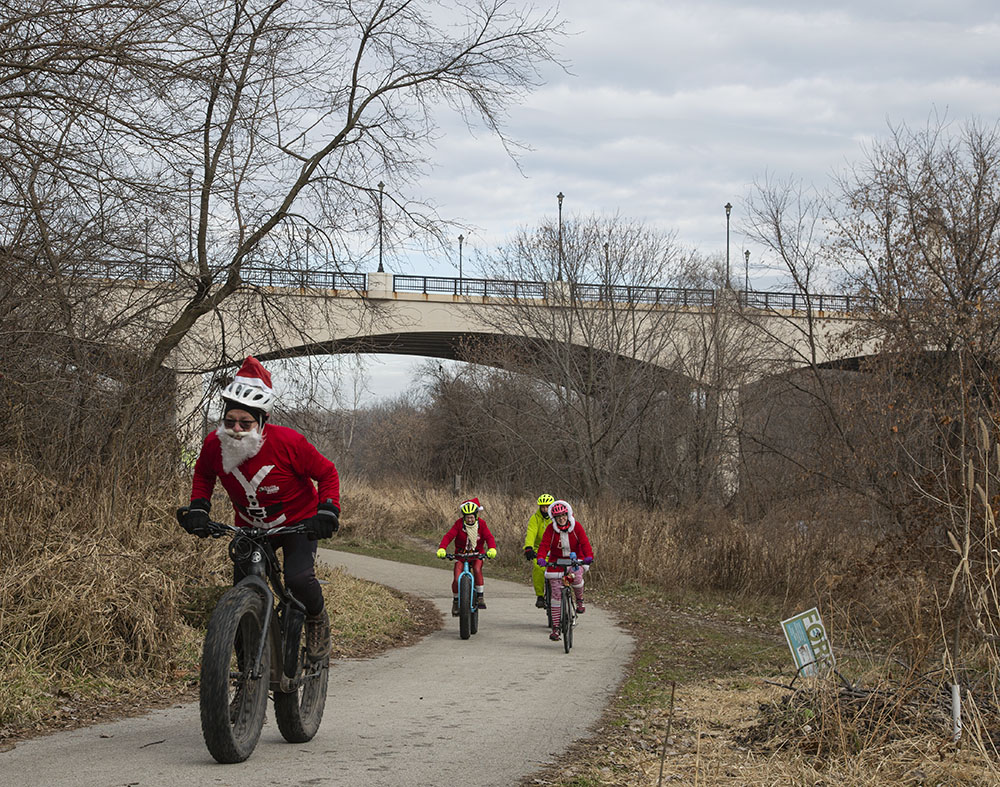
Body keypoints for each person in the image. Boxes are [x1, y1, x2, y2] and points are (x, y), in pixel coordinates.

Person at [178, 356, 341, 661]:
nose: (236, 429)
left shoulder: (289, 443)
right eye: (230, 421)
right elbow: (203, 474)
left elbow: (327, 473)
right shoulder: (215, 444)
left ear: (262, 421)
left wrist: (327, 510)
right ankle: (245, 675)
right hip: (249, 527)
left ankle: (316, 618)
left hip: (298, 523)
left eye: (245, 422)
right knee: (242, 592)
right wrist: (199, 507)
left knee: (297, 579)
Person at [536, 499, 593, 642]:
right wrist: (541, 558)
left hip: (575, 558)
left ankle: (579, 600)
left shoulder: (576, 527)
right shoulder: (550, 529)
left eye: (563, 515)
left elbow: (584, 543)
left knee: (577, 578)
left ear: (568, 514)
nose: (561, 519)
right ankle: (555, 628)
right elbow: (544, 545)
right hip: (556, 561)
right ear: (554, 518)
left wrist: (588, 557)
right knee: (555, 595)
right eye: (558, 517)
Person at [436, 498, 497, 615]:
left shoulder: (482, 525)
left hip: (476, 555)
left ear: (476, 516)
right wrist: (442, 548)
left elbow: (489, 537)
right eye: (467, 517)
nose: (470, 520)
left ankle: (480, 596)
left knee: (477, 569)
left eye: (472, 517)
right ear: (464, 517)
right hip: (461, 555)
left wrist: (492, 549)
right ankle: (456, 600)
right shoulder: (458, 524)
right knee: (456, 578)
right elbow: (448, 536)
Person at [523, 493, 554, 609]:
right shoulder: (535, 518)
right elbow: (531, 533)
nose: (545, 509)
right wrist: (529, 548)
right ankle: (540, 596)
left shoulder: (557, 518)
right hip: (539, 550)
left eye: (547, 507)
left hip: (555, 550)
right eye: (543, 507)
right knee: (538, 568)